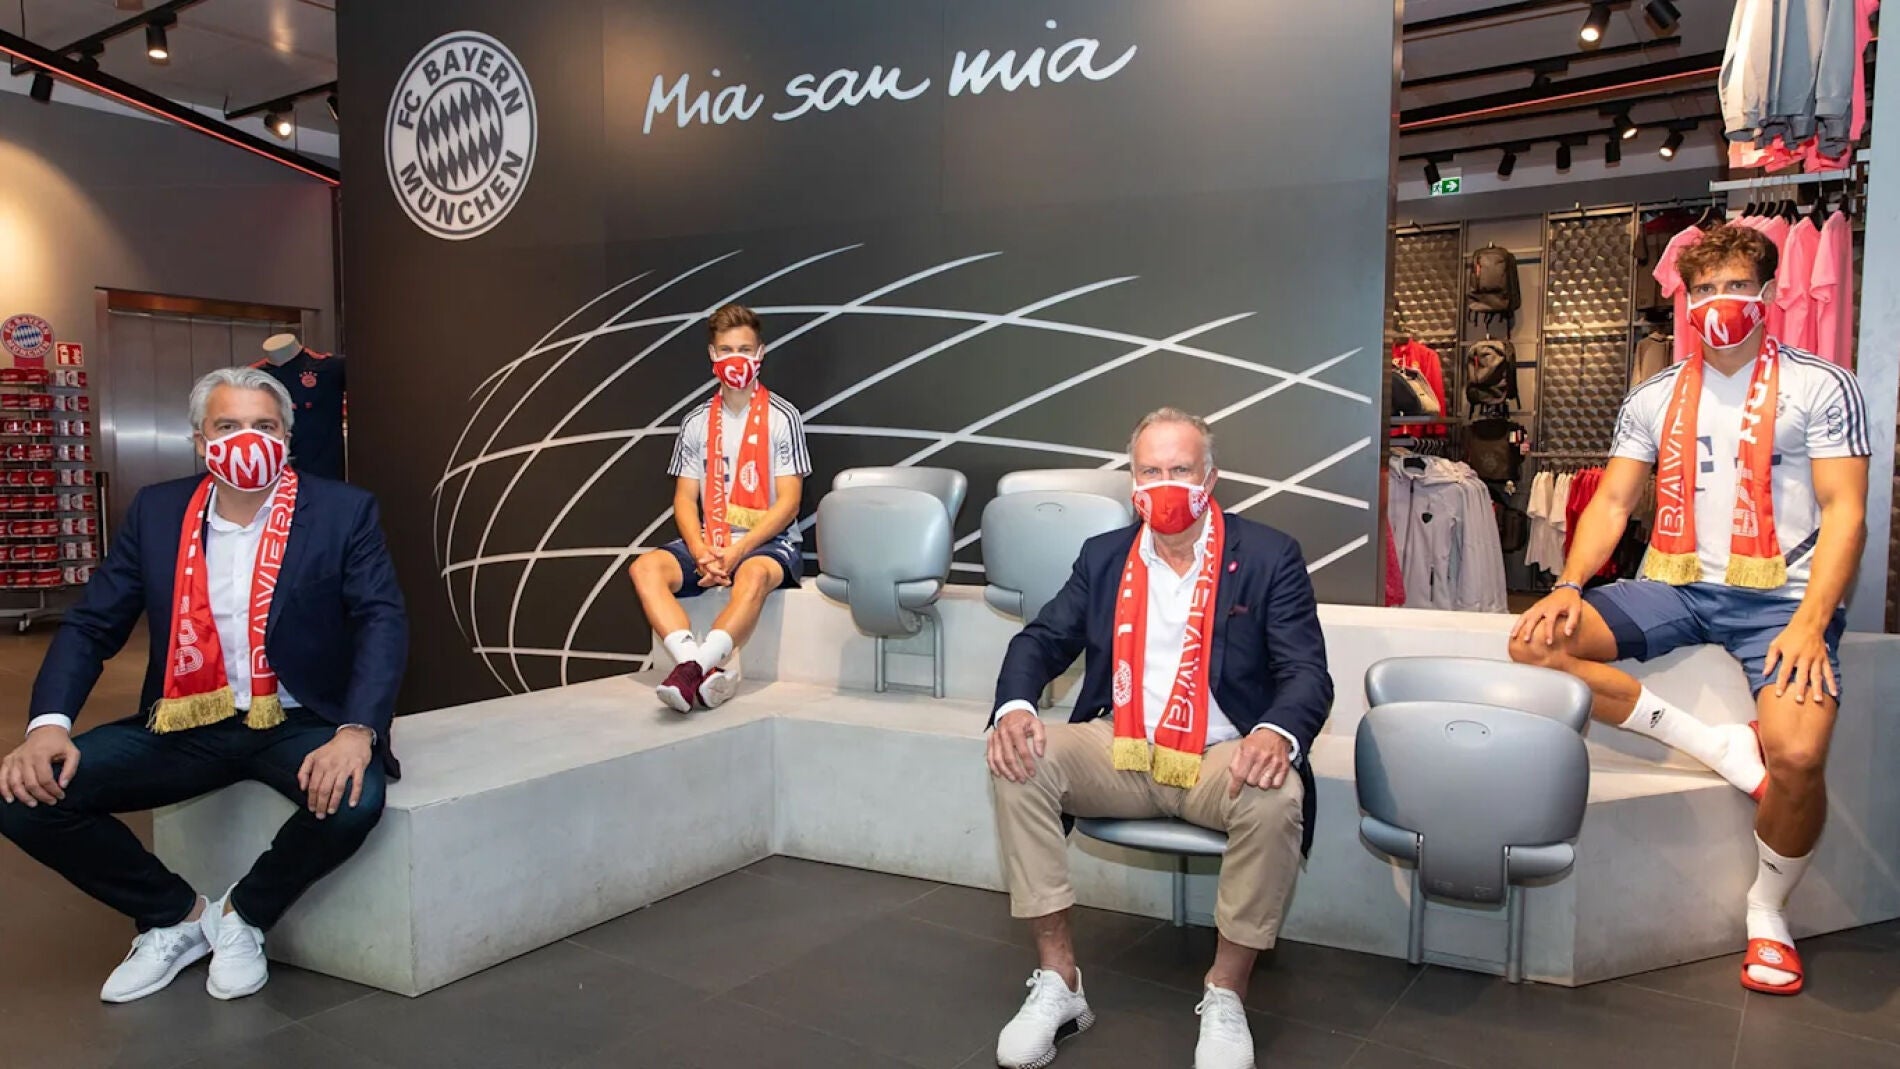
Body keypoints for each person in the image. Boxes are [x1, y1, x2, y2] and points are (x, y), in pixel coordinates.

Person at [1511, 224, 1869, 997]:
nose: (1718, 303)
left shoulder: (1821, 386)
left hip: (1781, 596)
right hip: (1676, 581)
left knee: (1799, 757)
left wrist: (1812, 621)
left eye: (1735, 287)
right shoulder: (1656, 393)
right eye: (1703, 290)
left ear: (1767, 294)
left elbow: (1846, 512)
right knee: (1536, 645)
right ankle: (1719, 745)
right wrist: (1569, 583)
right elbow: (1614, 499)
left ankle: (1767, 908)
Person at [0, 367, 407, 1003]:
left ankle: (244, 917)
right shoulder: (158, 511)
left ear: (287, 438)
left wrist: (358, 730)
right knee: (23, 798)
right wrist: (48, 724)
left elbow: (382, 620)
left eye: (264, 426)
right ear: (200, 440)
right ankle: (176, 917)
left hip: (299, 718)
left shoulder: (342, 510)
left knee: (355, 801)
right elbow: (92, 624)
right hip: (187, 718)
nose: (249, 439)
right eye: (229, 425)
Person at [986, 408, 1331, 1069]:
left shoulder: (1268, 555)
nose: (1165, 483)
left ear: (1210, 478)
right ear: (1133, 481)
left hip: (1220, 757)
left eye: (1181, 469)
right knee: (1019, 760)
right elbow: (1042, 639)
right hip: (1121, 747)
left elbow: (1306, 672)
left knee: (1275, 793)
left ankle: (1226, 992)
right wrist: (1014, 707)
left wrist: (1274, 732)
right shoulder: (1104, 556)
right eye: (1151, 471)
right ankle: (1060, 982)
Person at [629, 303, 811, 712]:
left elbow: (789, 502)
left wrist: (738, 549)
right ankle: (699, 668)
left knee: (752, 574)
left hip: (768, 542)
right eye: (727, 350)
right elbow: (683, 498)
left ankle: (689, 672)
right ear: (713, 355)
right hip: (711, 539)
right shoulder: (696, 421)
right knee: (645, 569)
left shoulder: (782, 417)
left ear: (760, 353)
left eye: (745, 350)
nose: (736, 360)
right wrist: (700, 551)